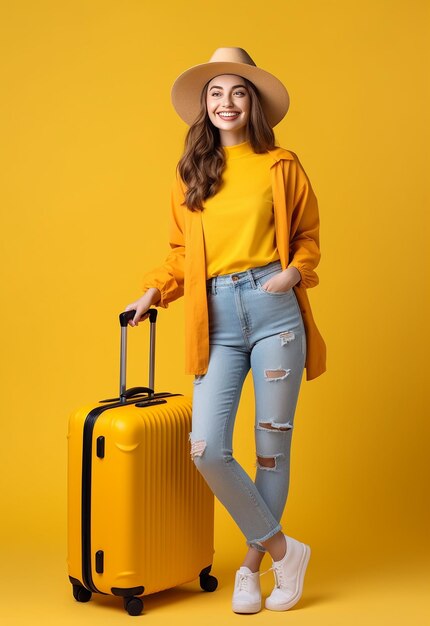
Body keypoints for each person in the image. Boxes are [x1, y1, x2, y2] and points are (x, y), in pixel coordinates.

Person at [124, 47, 326, 614]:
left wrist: (291, 274)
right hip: (213, 316)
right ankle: (286, 550)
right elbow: (180, 253)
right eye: (216, 93)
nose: (226, 102)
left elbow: (308, 236)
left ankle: (250, 568)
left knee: (270, 451)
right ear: (204, 106)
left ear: (253, 102)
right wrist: (153, 292)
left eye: (238, 91)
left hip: (274, 311)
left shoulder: (282, 165)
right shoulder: (190, 172)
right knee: (208, 449)